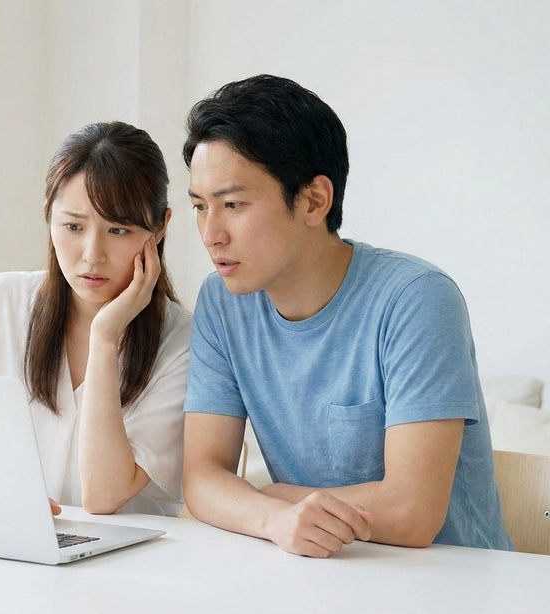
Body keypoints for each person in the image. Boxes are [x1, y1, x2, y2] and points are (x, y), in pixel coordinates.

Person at [180, 75, 512, 557]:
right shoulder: (222, 301)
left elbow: (412, 513)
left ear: (314, 200)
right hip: (323, 575)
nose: (211, 234)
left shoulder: (416, 299)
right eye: (198, 207)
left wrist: (270, 498)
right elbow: (202, 477)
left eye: (232, 204)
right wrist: (274, 517)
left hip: (449, 582)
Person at [0, 121, 190, 516]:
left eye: (117, 229)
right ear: (49, 216)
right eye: (73, 226)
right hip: (9, 550)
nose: (92, 254)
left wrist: (106, 336)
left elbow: (103, 496)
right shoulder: (1, 302)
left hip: (130, 568)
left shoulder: (183, 342)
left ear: (160, 227)